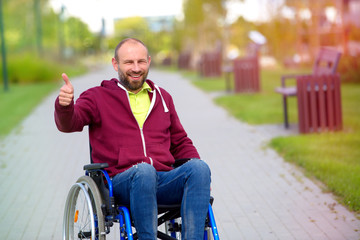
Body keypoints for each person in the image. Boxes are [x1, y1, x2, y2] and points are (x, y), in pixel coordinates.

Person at [54, 38, 211, 240]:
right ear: (115, 64)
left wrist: (201, 178)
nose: (136, 68)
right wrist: (65, 106)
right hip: (121, 182)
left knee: (200, 168)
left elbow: (180, 142)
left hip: (163, 180)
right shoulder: (97, 97)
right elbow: (69, 124)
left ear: (149, 61)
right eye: (129, 62)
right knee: (143, 170)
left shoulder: (162, 97)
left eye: (141, 62)